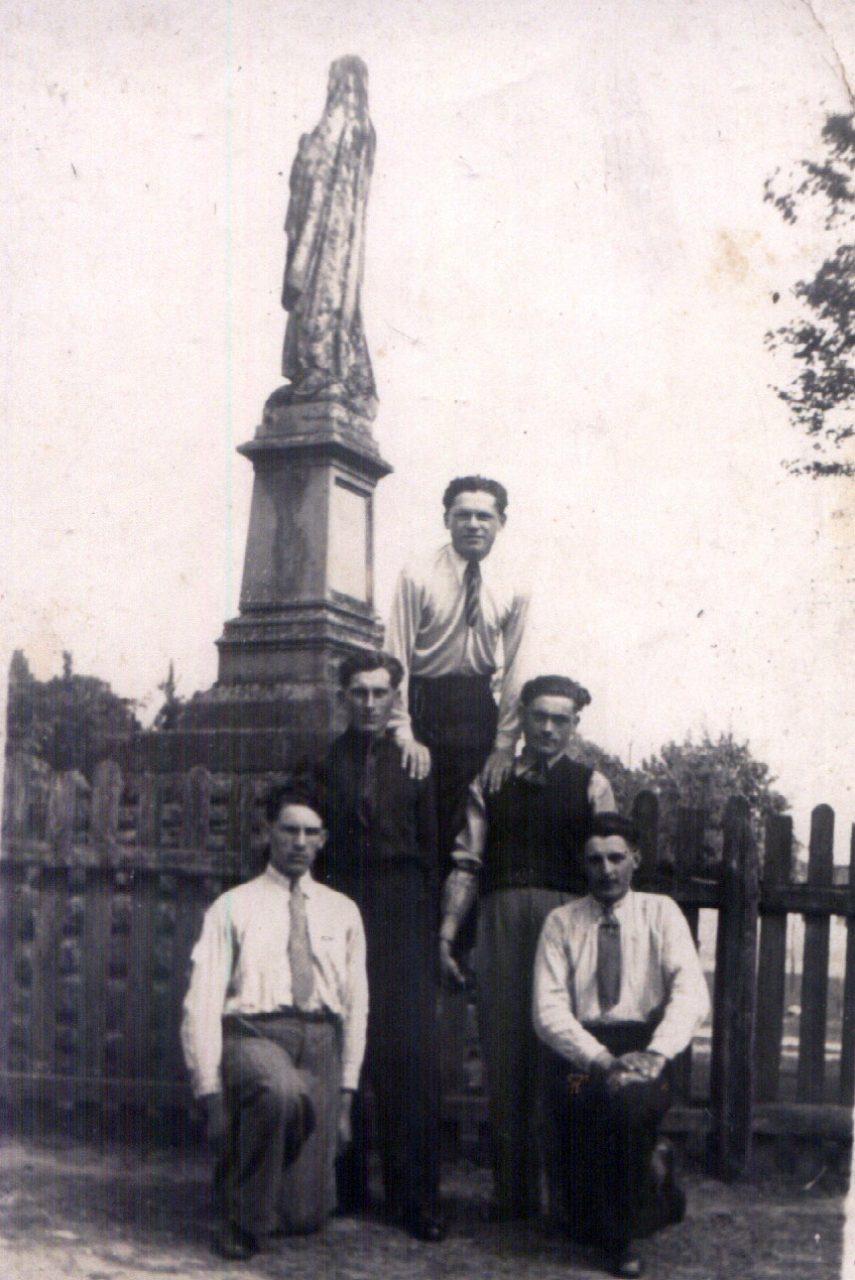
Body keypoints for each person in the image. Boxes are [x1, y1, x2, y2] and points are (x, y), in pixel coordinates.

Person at [438, 674, 615, 1221]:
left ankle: (568, 1198)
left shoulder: (592, 785)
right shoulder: (491, 780)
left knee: (568, 1053)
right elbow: (467, 863)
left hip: (568, 925)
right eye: (539, 716)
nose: (548, 729)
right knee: (505, 1051)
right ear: (523, 719)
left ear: (575, 725)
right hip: (503, 923)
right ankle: (512, 1197)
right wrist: (448, 932)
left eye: (561, 719)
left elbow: (609, 868)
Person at [180, 789, 368, 1261]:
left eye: (310, 832)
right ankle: (243, 1223)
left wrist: (345, 1096)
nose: (299, 842)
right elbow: (202, 1002)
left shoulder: (343, 910)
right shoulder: (233, 906)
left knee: (304, 1218)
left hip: (321, 1042)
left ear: (323, 839)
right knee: (280, 1090)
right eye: (289, 830)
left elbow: (356, 1005)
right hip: (254, 1035)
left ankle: (241, 1174)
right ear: (268, 834)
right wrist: (210, 1094)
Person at [533, 812, 710, 1278]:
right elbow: (548, 1010)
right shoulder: (561, 922)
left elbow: (691, 993)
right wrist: (603, 1060)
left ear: (636, 859)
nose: (606, 870)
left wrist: (655, 1054)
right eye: (595, 860)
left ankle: (622, 1239)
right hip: (583, 1055)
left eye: (616, 858)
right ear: (583, 864)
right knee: (580, 1099)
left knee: (628, 1105)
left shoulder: (661, 913)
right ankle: (652, 1176)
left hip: (647, 1050)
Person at [320, 650, 446, 1241]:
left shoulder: (417, 762)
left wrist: (433, 932)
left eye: (380, 693)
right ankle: (344, 1187)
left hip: (402, 910)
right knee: (345, 1034)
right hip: (344, 902)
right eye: (359, 692)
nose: (369, 703)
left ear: (396, 698)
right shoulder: (326, 763)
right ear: (343, 696)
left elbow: (433, 852)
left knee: (407, 1051)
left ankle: (414, 1197)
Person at [386, 475, 530, 855]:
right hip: (424, 701)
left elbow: (518, 665)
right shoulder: (418, 573)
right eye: (463, 515)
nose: (473, 525)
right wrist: (403, 732)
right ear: (446, 520)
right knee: (422, 818)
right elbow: (396, 655)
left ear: (501, 522)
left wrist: (505, 744)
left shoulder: (515, 583)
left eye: (484, 516)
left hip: (476, 704)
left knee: (475, 816)